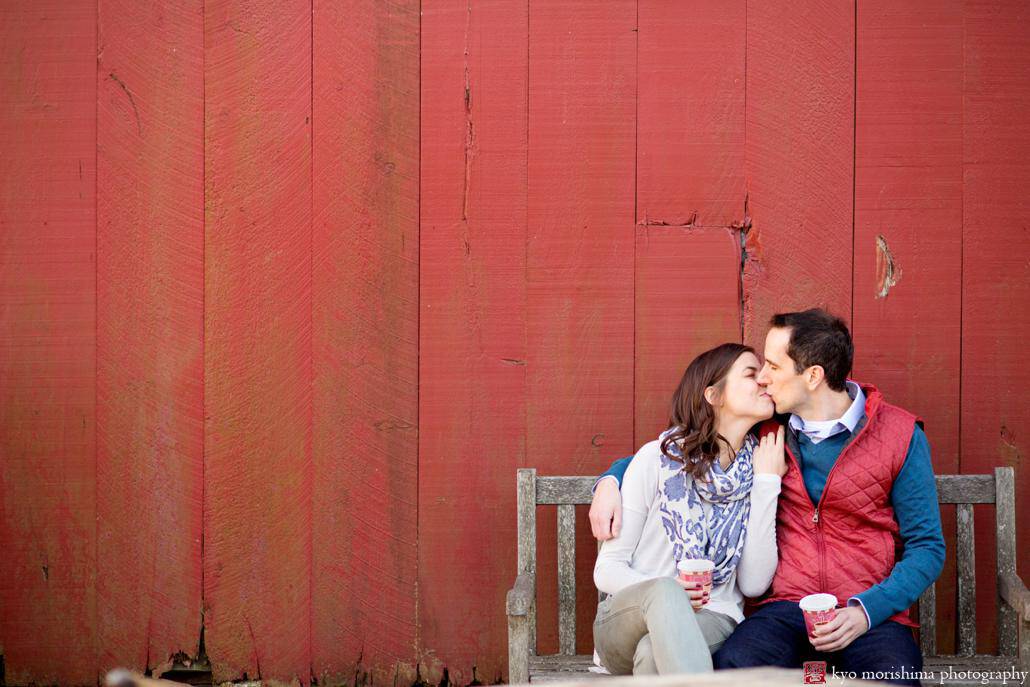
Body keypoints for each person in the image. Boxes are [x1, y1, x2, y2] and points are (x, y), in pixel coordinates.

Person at [589, 309, 944, 686]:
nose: (763, 377)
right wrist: (610, 479)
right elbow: (686, 447)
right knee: (736, 667)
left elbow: (927, 547)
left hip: (867, 612)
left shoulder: (900, 435)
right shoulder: (769, 429)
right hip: (783, 610)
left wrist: (865, 610)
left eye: (773, 366)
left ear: (812, 376)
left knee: (894, 679)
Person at [591, 342, 787, 676]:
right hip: (626, 621)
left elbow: (753, 584)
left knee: (653, 654)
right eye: (751, 374)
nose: (764, 381)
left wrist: (767, 484)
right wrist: (671, 595)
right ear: (714, 395)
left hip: (714, 618)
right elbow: (607, 569)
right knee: (666, 592)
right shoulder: (657, 460)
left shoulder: (760, 469)